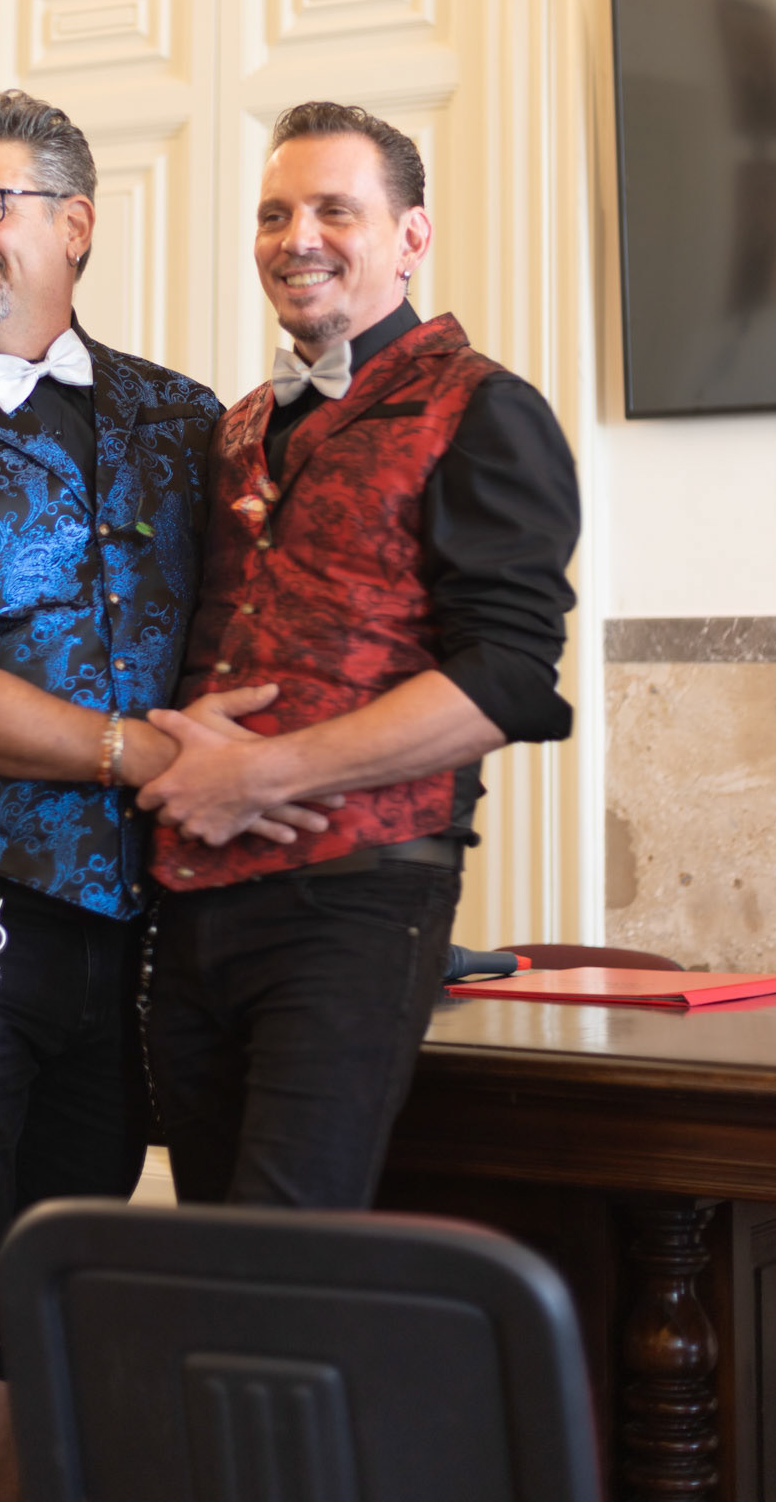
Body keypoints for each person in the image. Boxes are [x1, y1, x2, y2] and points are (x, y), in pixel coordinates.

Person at [0, 90, 319, 1500]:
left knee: (48, 1286)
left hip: (137, 932)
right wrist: (142, 754)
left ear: (74, 225)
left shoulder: (184, 417)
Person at [138, 99, 581, 1210]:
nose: (298, 239)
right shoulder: (236, 424)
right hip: (188, 902)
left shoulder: (484, 408)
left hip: (357, 901)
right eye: (274, 214)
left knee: (286, 1250)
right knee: (203, 1249)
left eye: (336, 209)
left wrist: (266, 771)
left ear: (410, 235)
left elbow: (507, 679)